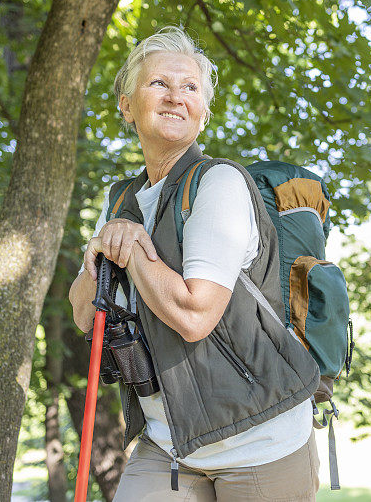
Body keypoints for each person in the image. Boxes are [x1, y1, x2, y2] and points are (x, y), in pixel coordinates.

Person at [68, 26, 321, 501]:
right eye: (159, 83)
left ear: (202, 114)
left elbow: (195, 314)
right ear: (126, 105)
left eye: (189, 88)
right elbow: (85, 314)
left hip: (259, 439)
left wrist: (135, 250)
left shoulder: (218, 183)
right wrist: (96, 253)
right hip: (170, 445)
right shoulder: (120, 197)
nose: (175, 97)